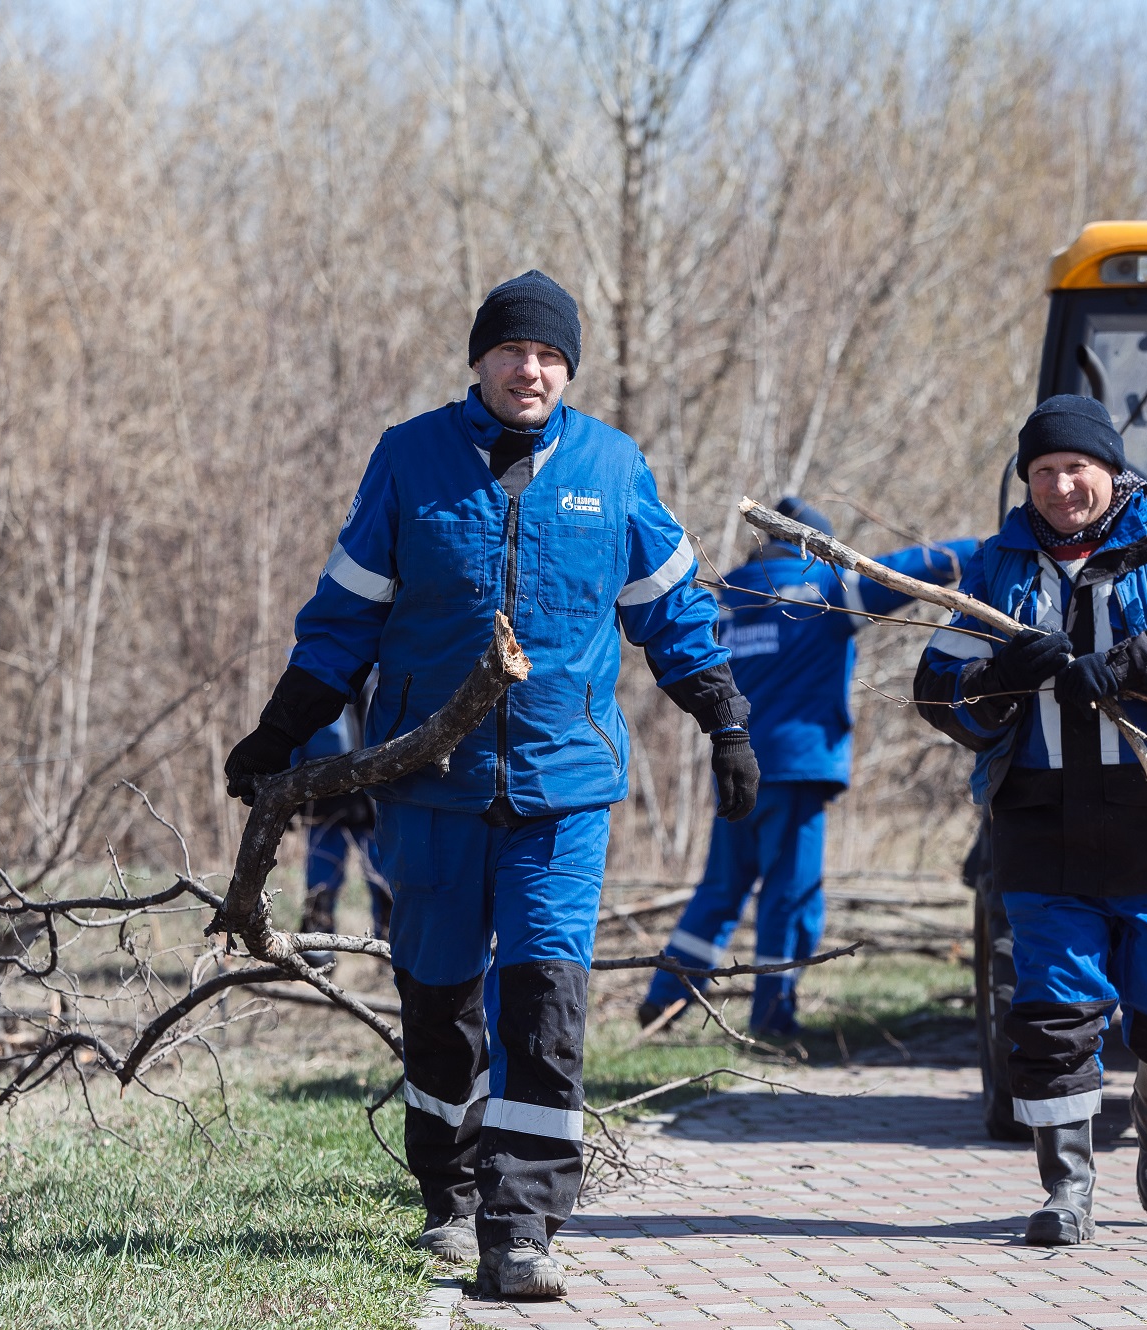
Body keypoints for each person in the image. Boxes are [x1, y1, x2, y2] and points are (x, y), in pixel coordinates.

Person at [222, 270, 760, 1297]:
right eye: (514, 351)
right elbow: (345, 615)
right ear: (479, 360)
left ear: (569, 370)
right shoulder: (409, 459)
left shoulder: (611, 464)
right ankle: (450, 1193)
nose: (532, 369)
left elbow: (670, 607)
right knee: (439, 1001)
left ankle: (522, 1227)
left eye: (552, 355)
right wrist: (280, 731)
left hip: (561, 791)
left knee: (543, 1005)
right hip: (430, 783)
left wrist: (722, 718)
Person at [913, 394, 1147, 1246]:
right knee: (1051, 1014)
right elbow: (937, 686)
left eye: (1076, 468)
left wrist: (1121, 667)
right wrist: (1005, 677)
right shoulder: (1000, 565)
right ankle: (1067, 1188)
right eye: (1042, 471)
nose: (1061, 486)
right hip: (1043, 826)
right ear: (1025, 482)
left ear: (1109, 471)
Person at [638, 497, 976, 1035]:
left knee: (720, 891)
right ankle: (773, 1017)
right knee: (790, 896)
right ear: (816, 546)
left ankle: (666, 998)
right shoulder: (824, 590)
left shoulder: (730, 597)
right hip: (796, 771)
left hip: (735, 764)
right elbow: (916, 568)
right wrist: (989, 550)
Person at [290, 692, 391, 961]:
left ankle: (393, 957)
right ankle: (315, 959)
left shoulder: (391, 668)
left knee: (389, 884)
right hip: (324, 802)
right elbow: (292, 732)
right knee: (320, 887)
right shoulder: (316, 666)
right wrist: (286, 798)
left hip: (378, 802)